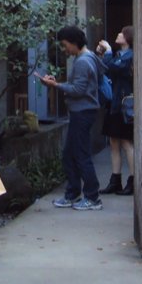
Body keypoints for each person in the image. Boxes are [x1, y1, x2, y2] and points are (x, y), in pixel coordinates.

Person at [39, 25, 104, 211]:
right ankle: (74, 193)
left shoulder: (83, 61)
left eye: (65, 44)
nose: (64, 49)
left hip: (82, 112)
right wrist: (58, 84)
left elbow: (78, 90)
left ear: (74, 43)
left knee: (80, 155)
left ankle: (92, 197)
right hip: (83, 112)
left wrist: (56, 85)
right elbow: (79, 86)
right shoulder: (86, 57)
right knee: (71, 154)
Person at [96, 26, 135, 196]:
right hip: (115, 104)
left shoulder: (130, 56)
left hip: (124, 105)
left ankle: (133, 181)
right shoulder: (120, 55)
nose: (118, 34)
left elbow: (115, 68)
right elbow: (106, 67)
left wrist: (109, 51)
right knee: (114, 142)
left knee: (126, 143)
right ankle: (115, 180)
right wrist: (103, 54)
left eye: (122, 33)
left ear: (128, 38)